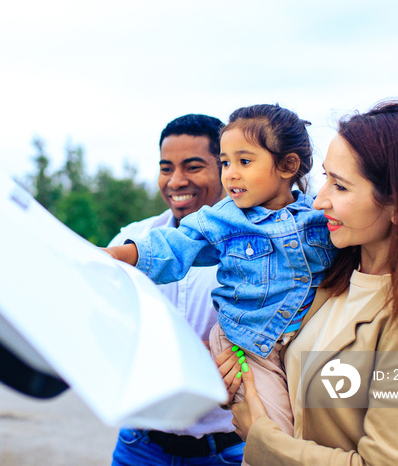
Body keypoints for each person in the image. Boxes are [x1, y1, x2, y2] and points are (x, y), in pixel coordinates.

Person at [219, 100, 398, 465]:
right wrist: (244, 379)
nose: (319, 201)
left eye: (341, 187)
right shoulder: (327, 279)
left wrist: (261, 437)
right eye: (326, 179)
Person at [106, 104, 337, 436]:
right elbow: (171, 247)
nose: (231, 173)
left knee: (320, 431)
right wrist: (115, 254)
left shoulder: (317, 217)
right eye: (226, 163)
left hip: (301, 344)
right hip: (248, 349)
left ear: (288, 165)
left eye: (243, 162)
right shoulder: (220, 222)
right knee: (273, 435)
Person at [109, 114, 245, 465]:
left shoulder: (256, 251)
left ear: (225, 168)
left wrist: (231, 358)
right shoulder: (132, 240)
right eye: (166, 168)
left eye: (193, 166)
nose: (176, 181)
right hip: (139, 447)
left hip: (228, 450)